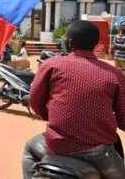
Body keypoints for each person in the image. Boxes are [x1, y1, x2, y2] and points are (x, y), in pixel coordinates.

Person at [22, 20, 125, 179]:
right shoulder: (114, 74)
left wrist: (49, 116)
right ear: (96, 43)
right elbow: (123, 120)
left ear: (69, 42)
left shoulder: (51, 65)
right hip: (100, 154)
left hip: (57, 146)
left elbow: (35, 102)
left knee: (30, 148)